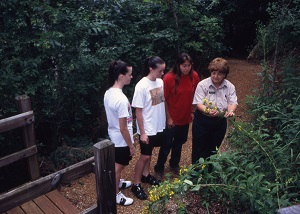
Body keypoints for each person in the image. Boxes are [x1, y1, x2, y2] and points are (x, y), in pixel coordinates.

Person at [154, 53, 200, 178]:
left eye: (189, 65)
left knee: (179, 142)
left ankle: (174, 164)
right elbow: (163, 99)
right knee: (166, 144)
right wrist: (168, 117)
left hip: (184, 117)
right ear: (178, 65)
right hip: (171, 117)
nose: (187, 68)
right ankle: (159, 167)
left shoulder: (194, 76)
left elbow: (195, 95)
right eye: (184, 65)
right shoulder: (168, 78)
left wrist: (192, 111)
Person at [131, 56, 166, 200]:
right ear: (151, 69)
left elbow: (158, 103)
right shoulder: (141, 86)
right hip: (147, 128)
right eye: (160, 71)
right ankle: (136, 183)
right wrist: (143, 132)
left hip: (157, 125)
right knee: (145, 156)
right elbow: (138, 111)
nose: (163, 73)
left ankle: (146, 176)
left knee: (150, 153)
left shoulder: (160, 82)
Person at [192, 57, 237, 164]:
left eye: (219, 74)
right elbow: (198, 103)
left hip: (219, 122)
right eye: (214, 73)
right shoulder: (203, 85)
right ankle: (195, 175)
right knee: (199, 148)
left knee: (213, 150)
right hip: (202, 121)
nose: (216, 76)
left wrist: (230, 111)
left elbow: (232, 102)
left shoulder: (229, 87)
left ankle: (210, 174)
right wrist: (207, 110)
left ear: (225, 74)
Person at [103, 60, 136, 206]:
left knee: (118, 163)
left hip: (114, 135)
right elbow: (123, 128)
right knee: (118, 166)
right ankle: (116, 194)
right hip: (122, 139)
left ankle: (119, 182)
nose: (131, 77)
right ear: (121, 76)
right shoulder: (121, 99)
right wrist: (131, 146)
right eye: (129, 74)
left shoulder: (109, 92)